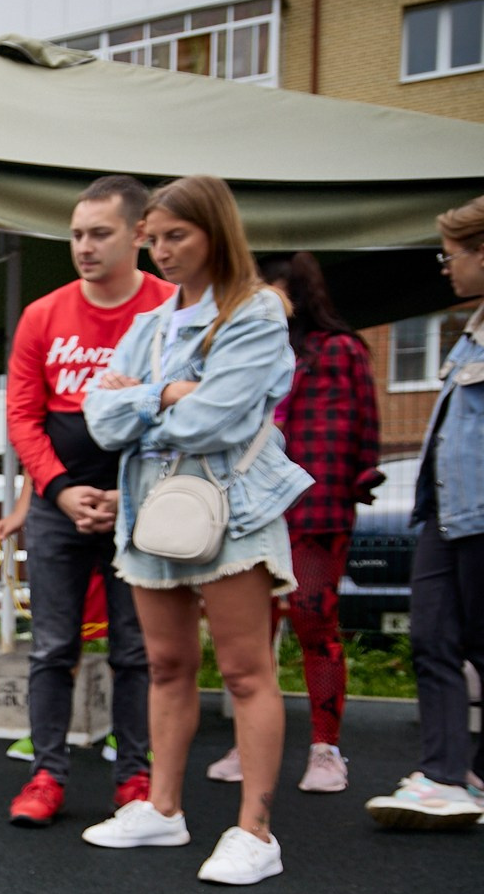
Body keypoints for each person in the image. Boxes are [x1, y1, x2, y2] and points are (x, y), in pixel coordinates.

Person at [82, 174, 310, 886]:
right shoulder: (150, 324)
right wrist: (165, 393)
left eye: (177, 235)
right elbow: (100, 418)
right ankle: (163, 807)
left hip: (232, 508)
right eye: (153, 237)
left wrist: (145, 402)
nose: (160, 250)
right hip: (156, 507)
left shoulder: (256, 313)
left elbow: (216, 418)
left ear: (217, 232)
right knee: (167, 665)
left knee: (246, 670)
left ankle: (255, 831)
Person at [2, 175, 169, 828]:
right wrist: (63, 490)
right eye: (76, 234)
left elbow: (188, 401)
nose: (85, 246)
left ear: (138, 234)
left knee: (136, 647)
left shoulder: (170, 307)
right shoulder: (43, 314)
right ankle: (46, 773)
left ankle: (133, 774)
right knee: (52, 646)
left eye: (100, 233)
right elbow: (22, 418)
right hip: (57, 501)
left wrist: (124, 496)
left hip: (144, 500)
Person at [204, 253, 382, 794]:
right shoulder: (247, 352)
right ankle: (247, 743)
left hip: (316, 510)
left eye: (271, 290)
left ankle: (325, 749)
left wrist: (355, 486)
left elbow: (366, 429)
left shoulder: (341, 351)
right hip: (254, 510)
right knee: (251, 631)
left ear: (297, 291)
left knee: (313, 619)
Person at [365, 194, 484, 829]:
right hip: (443, 514)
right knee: (433, 639)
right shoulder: (469, 333)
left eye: (455, 254)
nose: (447, 267)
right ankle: (445, 775)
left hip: (480, 515)